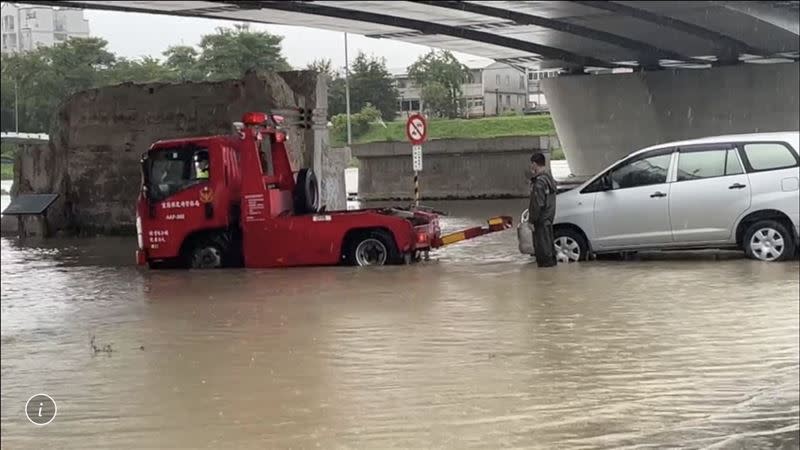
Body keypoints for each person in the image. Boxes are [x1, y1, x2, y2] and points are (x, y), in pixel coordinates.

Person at [528, 152, 558, 267]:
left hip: (540, 221)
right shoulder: (549, 178)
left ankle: (545, 278)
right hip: (549, 218)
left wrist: (531, 220)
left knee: (542, 252)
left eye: (532, 164)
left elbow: (537, 204)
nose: (531, 167)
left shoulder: (539, 182)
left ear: (535, 164)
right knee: (549, 249)